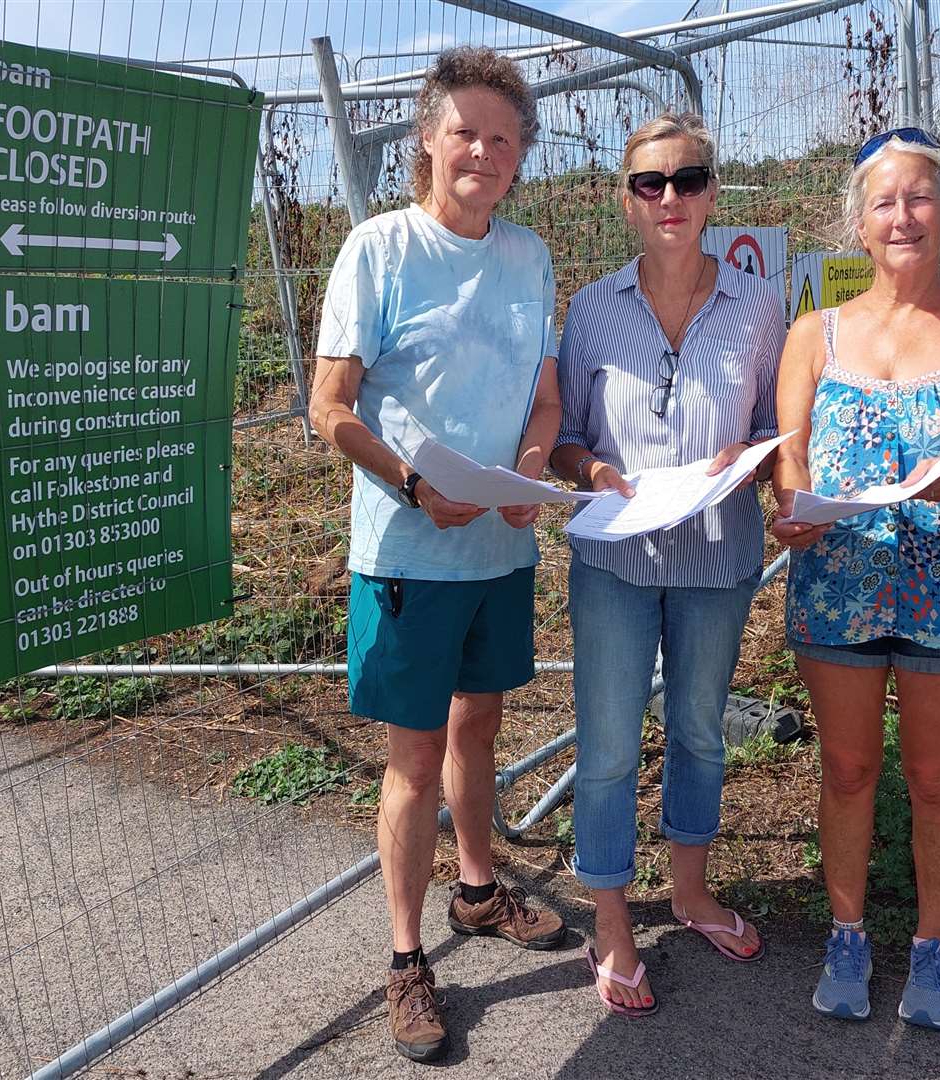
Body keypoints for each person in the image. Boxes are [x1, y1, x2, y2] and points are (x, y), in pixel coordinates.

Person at [309, 46, 565, 1063]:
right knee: (413, 757)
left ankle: (475, 890)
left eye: (503, 140)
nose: (483, 153)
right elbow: (329, 407)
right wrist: (416, 487)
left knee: (481, 726)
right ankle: (407, 958)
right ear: (426, 141)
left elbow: (542, 401)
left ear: (518, 159)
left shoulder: (529, 256)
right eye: (465, 131)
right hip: (409, 552)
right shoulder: (379, 250)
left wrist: (531, 473)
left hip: (497, 552)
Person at [771, 127, 940, 1030]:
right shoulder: (814, 332)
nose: (903, 216)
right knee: (847, 769)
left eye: (920, 198)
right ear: (859, 224)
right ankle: (846, 934)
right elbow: (793, 454)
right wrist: (795, 508)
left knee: (934, 776)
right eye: (884, 202)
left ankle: (932, 945)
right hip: (837, 584)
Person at [550, 112, 784, 1018]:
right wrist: (595, 470)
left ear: (714, 192)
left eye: (688, 180)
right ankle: (612, 923)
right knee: (607, 746)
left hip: (717, 554)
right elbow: (566, 436)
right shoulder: (594, 308)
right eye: (650, 184)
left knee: (697, 730)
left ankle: (687, 895)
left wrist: (754, 458)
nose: (671, 198)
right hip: (613, 555)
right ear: (626, 201)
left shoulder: (759, 307)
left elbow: (774, 427)